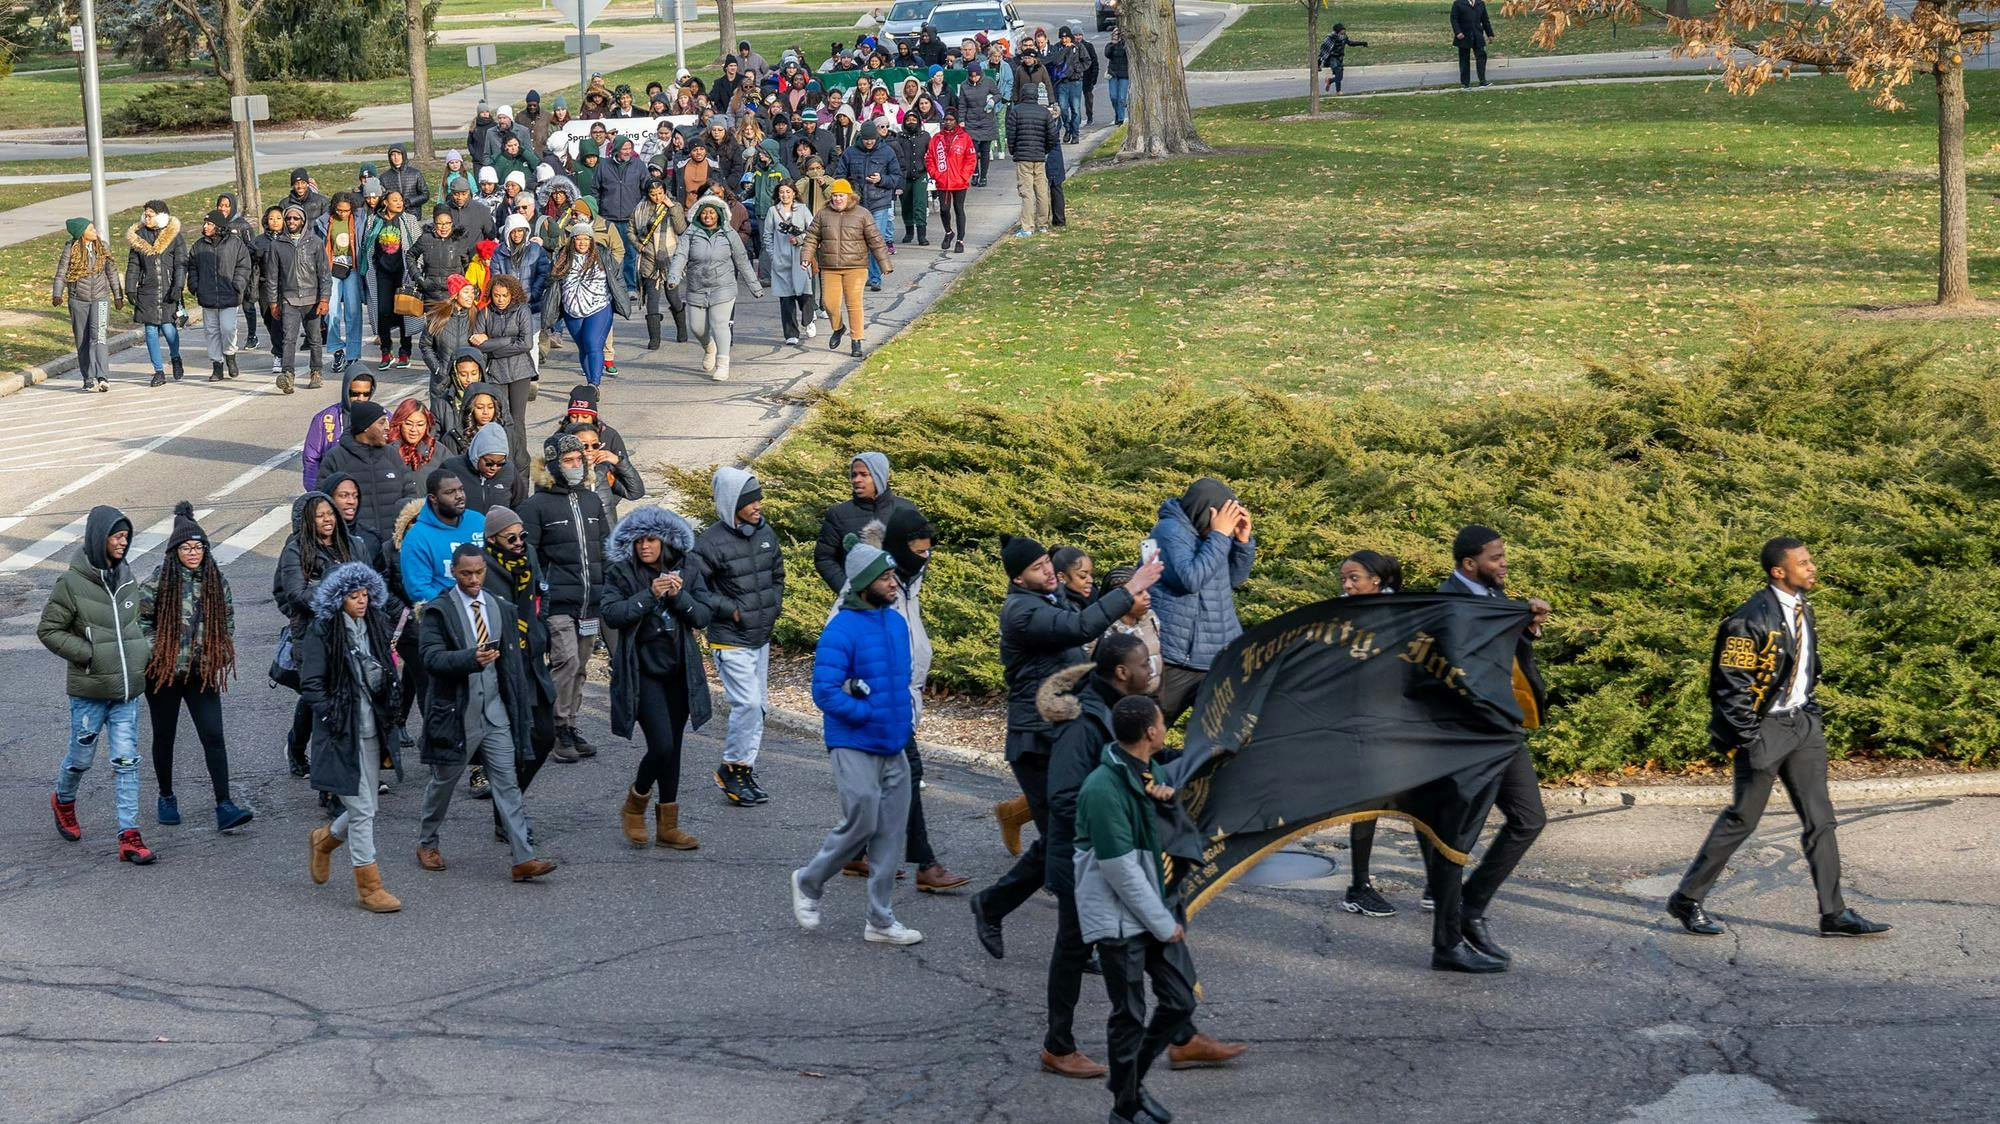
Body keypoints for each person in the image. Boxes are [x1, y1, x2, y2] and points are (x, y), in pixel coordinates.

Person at [1668, 538, 1892, 940]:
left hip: (1803, 724)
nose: (1812, 567)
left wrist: (1810, 712)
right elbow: (1728, 687)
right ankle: (1686, 898)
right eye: (1803, 563)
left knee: (1820, 820)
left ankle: (1834, 914)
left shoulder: (1804, 607)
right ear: (1778, 571)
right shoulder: (1747, 619)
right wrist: (1751, 739)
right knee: (1743, 819)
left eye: (1811, 561)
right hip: (1764, 730)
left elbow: (1803, 666)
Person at [971, 536, 1160, 960]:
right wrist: (1129, 589)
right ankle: (1077, 941)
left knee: (1062, 835)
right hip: (1034, 740)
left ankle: (995, 905)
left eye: (1047, 563)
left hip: (1063, 733)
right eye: (1038, 568)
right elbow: (1077, 630)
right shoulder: (1022, 612)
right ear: (1018, 577)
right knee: (1065, 836)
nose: (1049, 571)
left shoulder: (1052, 600)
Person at [789, 534, 924, 946]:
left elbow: (901, 682)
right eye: (884, 576)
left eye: (891, 575)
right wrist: (866, 713)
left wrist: (904, 723)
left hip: (893, 743)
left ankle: (880, 920)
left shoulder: (896, 623)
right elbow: (824, 692)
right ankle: (808, 882)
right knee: (862, 820)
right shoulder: (841, 629)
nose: (892, 581)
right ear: (865, 582)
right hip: (853, 741)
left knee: (890, 834)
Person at [1429, 524, 1549, 972]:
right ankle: (1446, 946)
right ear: (1469, 564)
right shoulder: (1450, 604)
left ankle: (1470, 908)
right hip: (1467, 737)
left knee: (1530, 819)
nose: (1504, 564)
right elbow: (1454, 667)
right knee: (1456, 840)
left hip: (1504, 730)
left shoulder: (1495, 598)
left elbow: (1502, 653)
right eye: (1496, 557)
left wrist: (1527, 626)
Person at [1076, 695, 1198, 1124]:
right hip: (1117, 920)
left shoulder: (1151, 770)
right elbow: (1119, 870)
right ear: (1151, 732)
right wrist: (1164, 924)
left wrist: (1164, 803)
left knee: (1180, 1000)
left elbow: (1157, 839)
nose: (1166, 729)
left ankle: (1126, 1080)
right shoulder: (1102, 788)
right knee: (1128, 1015)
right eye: (1163, 723)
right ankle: (1123, 1109)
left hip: (1149, 911)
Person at [1038, 633, 1153, 1079]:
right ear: (1122, 673)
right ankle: (1058, 1046)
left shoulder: (1119, 712)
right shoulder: (1084, 722)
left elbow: (1140, 765)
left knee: (1122, 948)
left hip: (1107, 855)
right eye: (1144, 662)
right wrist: (1116, 821)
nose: (1151, 669)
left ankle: (1178, 1035)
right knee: (1081, 948)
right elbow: (1063, 797)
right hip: (1085, 859)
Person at [416, 544, 556, 881]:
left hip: (495, 714)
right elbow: (430, 658)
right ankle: (427, 841)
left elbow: (512, 666)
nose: (474, 579)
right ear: (454, 572)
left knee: (507, 783)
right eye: (466, 574)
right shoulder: (440, 610)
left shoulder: (499, 607)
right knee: (444, 782)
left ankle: (523, 857)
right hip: (457, 715)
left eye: (479, 572)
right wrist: (468, 659)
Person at [41, 506, 155, 862]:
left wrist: (143, 651)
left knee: (127, 761)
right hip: (90, 692)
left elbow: (136, 623)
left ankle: (129, 836)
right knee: (82, 757)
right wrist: (88, 654)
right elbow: (48, 630)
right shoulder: (71, 584)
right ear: (98, 538)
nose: (123, 543)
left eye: (126, 537)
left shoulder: (126, 576)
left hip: (125, 691)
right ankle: (63, 800)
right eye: (117, 537)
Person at [604, 506, 715, 849]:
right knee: (661, 745)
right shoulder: (623, 572)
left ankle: (668, 826)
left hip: (679, 670)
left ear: (666, 541)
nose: (644, 547)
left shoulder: (688, 568)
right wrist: (649, 595)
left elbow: (702, 615)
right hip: (642, 672)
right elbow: (611, 613)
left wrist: (678, 595)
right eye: (638, 541)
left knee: (674, 749)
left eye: (651, 540)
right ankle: (635, 802)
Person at [139, 503, 250, 833]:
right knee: (165, 737)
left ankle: (224, 804)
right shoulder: (158, 581)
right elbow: (141, 621)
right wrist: (159, 651)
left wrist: (222, 650)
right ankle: (166, 796)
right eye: (186, 548)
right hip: (163, 674)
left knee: (213, 736)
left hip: (201, 673)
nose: (192, 553)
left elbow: (227, 619)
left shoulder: (216, 581)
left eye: (198, 547)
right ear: (174, 551)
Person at [301, 561, 404, 912]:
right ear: (338, 598)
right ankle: (369, 888)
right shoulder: (324, 630)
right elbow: (311, 683)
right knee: (362, 811)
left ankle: (324, 841)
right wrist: (332, 715)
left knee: (368, 806)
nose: (361, 601)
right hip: (342, 731)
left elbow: (387, 667)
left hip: (374, 727)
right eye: (353, 595)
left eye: (364, 594)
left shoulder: (373, 623)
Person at [688, 467, 784, 806]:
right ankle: (731, 767)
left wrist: (772, 608)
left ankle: (743, 769)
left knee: (759, 708)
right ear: (733, 503)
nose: (758, 504)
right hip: (730, 638)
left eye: (758, 497)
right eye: (750, 500)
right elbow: (694, 588)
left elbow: (777, 575)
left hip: (761, 636)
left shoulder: (765, 533)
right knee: (748, 703)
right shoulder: (710, 543)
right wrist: (733, 611)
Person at [521, 432, 609, 762]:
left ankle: (571, 724)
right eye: (568, 461)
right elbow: (529, 557)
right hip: (557, 602)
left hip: (590, 602)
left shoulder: (591, 500)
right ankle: (556, 727)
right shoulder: (536, 506)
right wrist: (540, 591)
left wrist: (609, 589)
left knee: (582, 666)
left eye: (578, 459)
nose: (576, 465)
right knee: (566, 661)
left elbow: (605, 546)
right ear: (553, 465)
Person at [1149, 477, 1257, 726]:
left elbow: (1234, 579)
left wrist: (1241, 541)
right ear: (1204, 511)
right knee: (1152, 731)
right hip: (1175, 657)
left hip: (1214, 655)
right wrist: (1219, 535)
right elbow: (1190, 579)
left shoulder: (1216, 535)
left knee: (1219, 734)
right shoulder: (1168, 531)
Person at [1336, 549, 1402, 918]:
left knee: (1426, 798)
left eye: (1353, 578)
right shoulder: (1338, 614)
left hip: (1403, 719)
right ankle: (1358, 886)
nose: (1346, 585)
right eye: (1343, 579)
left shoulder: (1403, 612)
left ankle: (1436, 887)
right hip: (1362, 722)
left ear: (1376, 579)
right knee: (1367, 806)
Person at [274, 490, 355, 778]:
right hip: (311, 634)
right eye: (320, 515)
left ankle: (353, 766)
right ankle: (299, 748)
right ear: (307, 520)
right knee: (316, 697)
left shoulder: (348, 544)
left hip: (349, 630)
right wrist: (336, 597)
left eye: (330, 513)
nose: (327, 519)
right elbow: (292, 593)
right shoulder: (295, 549)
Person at [669, 195, 764, 381]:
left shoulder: (729, 234)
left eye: (712, 212)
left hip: (723, 286)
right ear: (698, 215)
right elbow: (680, 256)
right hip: (697, 286)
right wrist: (673, 277)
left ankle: (723, 364)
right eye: (704, 213)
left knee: (719, 323)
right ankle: (709, 347)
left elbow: (742, 260)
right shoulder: (691, 233)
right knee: (696, 328)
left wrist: (755, 287)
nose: (708, 216)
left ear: (719, 215)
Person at [802, 179, 890, 358]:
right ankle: (838, 327)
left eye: (840, 195)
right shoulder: (823, 214)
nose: (837, 199)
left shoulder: (862, 214)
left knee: (853, 303)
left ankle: (856, 340)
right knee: (829, 303)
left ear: (849, 196)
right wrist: (806, 257)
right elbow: (811, 237)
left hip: (856, 266)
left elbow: (876, 240)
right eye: (834, 196)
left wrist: (884, 264)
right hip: (830, 266)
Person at [811, 452, 916, 594]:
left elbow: (922, 551)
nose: (856, 480)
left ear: (879, 476)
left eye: (864, 474)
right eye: (854, 475)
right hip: (858, 606)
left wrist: (904, 585)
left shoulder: (906, 509)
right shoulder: (839, 515)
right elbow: (824, 558)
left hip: (901, 601)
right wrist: (849, 590)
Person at [316, 399, 418, 543]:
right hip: (355, 547)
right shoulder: (336, 458)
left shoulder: (392, 455)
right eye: (382, 422)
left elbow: (410, 494)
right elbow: (322, 501)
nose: (388, 427)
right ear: (365, 427)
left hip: (394, 544)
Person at [543, 221, 630, 386]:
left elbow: (618, 278)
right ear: (572, 240)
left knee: (592, 343)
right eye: (578, 239)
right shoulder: (563, 257)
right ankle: (590, 381)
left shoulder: (602, 255)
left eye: (586, 239)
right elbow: (550, 279)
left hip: (599, 306)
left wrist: (623, 298)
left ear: (591, 240)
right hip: (572, 310)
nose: (582, 242)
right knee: (583, 347)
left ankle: (594, 384)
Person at [263, 202, 331, 395]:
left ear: (303, 221)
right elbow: (272, 277)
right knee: (288, 339)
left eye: (296, 218)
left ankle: (316, 372)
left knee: (315, 338)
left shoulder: (315, 242)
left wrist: (324, 299)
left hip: (312, 298)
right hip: (289, 299)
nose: (291, 221)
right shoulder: (277, 245)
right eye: (289, 218)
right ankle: (287, 375)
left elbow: (324, 274)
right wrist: (273, 302)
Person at [471, 275, 537, 466]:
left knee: (517, 419)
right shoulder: (484, 312)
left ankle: (521, 459)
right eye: (497, 295)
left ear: (512, 295)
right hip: (496, 373)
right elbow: (478, 344)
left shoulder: (522, 310)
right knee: (499, 417)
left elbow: (526, 343)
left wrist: (493, 347)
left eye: (504, 296)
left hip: (520, 371)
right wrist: (508, 341)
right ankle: (501, 455)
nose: (500, 300)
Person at [51, 218, 123, 392]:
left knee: (99, 336)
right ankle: (88, 378)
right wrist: (57, 294)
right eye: (90, 228)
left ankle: (103, 377)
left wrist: (118, 294)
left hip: (101, 298)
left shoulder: (102, 246)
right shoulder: (71, 248)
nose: (95, 230)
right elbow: (61, 273)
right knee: (82, 339)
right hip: (78, 300)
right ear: (81, 233)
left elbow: (111, 271)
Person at [124, 200, 188, 386]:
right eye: (145, 214)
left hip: (168, 290)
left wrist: (178, 286)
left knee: (169, 329)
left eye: (150, 215)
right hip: (147, 291)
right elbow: (133, 265)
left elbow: (180, 264)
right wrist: (130, 287)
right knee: (150, 331)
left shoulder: (174, 236)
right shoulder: (140, 237)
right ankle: (158, 371)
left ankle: (175, 357)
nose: (147, 218)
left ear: (161, 217)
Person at [186, 208, 252, 382]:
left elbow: (244, 265)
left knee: (228, 328)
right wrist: (194, 285)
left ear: (219, 226)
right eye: (205, 223)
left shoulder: (235, 243)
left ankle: (230, 355)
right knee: (212, 331)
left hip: (229, 294)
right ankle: (217, 365)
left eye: (209, 224)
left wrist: (237, 285)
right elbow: (192, 267)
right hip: (207, 295)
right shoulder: (199, 246)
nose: (205, 226)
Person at [834, 122, 900, 291]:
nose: (869, 142)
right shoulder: (850, 153)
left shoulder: (887, 152)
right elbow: (840, 176)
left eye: (871, 139)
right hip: (857, 204)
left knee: (876, 241)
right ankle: (863, 275)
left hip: (879, 203)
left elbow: (896, 177)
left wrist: (882, 179)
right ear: (860, 138)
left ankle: (876, 277)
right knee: (858, 242)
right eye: (866, 139)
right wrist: (850, 189)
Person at [367, 190, 424, 370]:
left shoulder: (409, 220)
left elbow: (418, 245)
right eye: (394, 200)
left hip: (404, 273)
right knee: (383, 312)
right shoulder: (373, 220)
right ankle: (386, 351)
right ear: (385, 202)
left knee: (403, 312)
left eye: (400, 200)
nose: (399, 203)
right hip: (382, 273)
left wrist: (417, 270)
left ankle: (405, 352)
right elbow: (367, 246)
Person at [633, 179, 689, 348]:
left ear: (665, 192)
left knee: (673, 297)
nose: (657, 197)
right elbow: (631, 231)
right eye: (653, 194)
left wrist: (671, 207)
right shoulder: (640, 209)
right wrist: (638, 245)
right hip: (649, 259)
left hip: (671, 259)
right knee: (652, 299)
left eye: (660, 193)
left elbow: (681, 229)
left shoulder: (674, 206)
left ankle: (681, 328)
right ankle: (654, 338)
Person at [303, 371, 376, 491]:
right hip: (331, 494)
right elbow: (311, 460)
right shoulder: (324, 419)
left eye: (366, 394)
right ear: (346, 390)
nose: (360, 399)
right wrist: (317, 494)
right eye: (355, 393)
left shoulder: (383, 419)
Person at [763, 179, 816, 344]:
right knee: (786, 298)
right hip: (781, 260)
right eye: (781, 192)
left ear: (794, 193)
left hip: (801, 257)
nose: (784, 195)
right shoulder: (773, 211)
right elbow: (768, 235)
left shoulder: (802, 209)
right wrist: (773, 255)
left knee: (805, 293)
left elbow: (814, 231)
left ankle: (808, 320)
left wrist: (799, 239)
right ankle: (791, 334)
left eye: (788, 191)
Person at [319, 193, 367, 373]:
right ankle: (337, 349)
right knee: (331, 311)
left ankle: (353, 354)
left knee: (353, 312)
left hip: (352, 268)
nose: (343, 213)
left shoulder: (359, 219)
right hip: (332, 269)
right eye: (339, 210)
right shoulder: (325, 222)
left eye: (346, 210)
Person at [597, 136, 649, 292]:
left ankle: (630, 287)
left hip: (630, 219)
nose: (628, 152)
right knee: (608, 254)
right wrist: (598, 213)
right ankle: (611, 287)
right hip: (608, 218)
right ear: (616, 150)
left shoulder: (638, 166)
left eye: (629, 148)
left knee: (630, 255)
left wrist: (642, 213)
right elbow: (596, 190)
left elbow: (646, 190)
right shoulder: (604, 166)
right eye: (624, 149)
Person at [1099, 566, 1162, 693]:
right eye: (1139, 593)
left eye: (1146, 590)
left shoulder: (1151, 618)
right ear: (1119, 598)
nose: (1147, 596)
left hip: (1153, 696)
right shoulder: (1102, 629)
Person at [446, 420, 526, 517]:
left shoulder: (509, 470)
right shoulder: (451, 468)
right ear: (477, 456)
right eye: (489, 463)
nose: (494, 468)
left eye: (500, 463)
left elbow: (521, 505)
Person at [1006, 90, 1059, 237]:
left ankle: (1027, 227)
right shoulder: (1044, 113)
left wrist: (1014, 151)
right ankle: (1043, 224)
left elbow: (1011, 135)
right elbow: (1053, 135)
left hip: (1023, 158)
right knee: (1041, 191)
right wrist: (1045, 149)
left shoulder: (1016, 112)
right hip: (1039, 157)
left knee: (1026, 192)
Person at [927, 110, 976, 254]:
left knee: (959, 209)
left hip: (959, 181)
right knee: (944, 209)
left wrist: (964, 176)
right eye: (946, 119)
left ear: (956, 121)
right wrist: (936, 175)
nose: (948, 122)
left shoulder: (964, 137)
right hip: (943, 181)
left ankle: (960, 240)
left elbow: (971, 159)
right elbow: (929, 158)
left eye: (951, 119)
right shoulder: (937, 138)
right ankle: (948, 232)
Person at [891, 115, 930, 246]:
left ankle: (921, 234)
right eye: (908, 120)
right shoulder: (899, 137)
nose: (911, 122)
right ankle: (909, 231)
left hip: (920, 175)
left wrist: (927, 166)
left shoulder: (925, 136)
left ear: (918, 121)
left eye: (914, 120)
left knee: (920, 204)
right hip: (905, 176)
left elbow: (931, 153)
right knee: (906, 205)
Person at [1050, 26, 1085, 143]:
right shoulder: (1056, 47)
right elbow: (1055, 61)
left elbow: (1087, 61)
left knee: (1075, 109)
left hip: (1075, 82)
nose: (1065, 40)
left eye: (1066, 37)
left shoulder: (1078, 47)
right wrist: (1065, 50)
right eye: (1062, 38)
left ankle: (1075, 134)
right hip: (1062, 82)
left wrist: (1077, 69)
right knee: (1063, 109)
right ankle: (1068, 128)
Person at [1450, 0, 1495, 88]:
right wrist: (1458, 32)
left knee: (1481, 57)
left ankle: (1482, 81)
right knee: (1464, 59)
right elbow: (1453, 19)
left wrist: (1490, 34)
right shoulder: (1458, 3)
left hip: (1477, 35)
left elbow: (1485, 20)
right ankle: (1465, 84)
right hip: (1463, 35)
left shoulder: (1480, 3)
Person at [1318, 22, 1368, 94]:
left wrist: (1362, 43)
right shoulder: (1331, 38)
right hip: (1332, 58)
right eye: (1342, 30)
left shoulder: (1344, 37)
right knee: (1338, 73)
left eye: (1344, 30)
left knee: (1340, 77)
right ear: (1338, 31)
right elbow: (1323, 51)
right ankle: (1338, 91)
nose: (1344, 31)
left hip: (1340, 58)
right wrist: (1318, 64)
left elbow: (1350, 43)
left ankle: (1329, 81)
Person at [1050, 545, 1095, 611]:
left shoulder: (1092, 596)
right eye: (1083, 576)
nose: (1091, 580)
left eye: (1091, 574)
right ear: (1062, 577)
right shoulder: (1055, 608)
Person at [1105, 26, 1130, 125]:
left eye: (1118, 34)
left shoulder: (1126, 45)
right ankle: (1117, 113)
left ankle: (1120, 118)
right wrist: (1113, 44)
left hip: (1124, 75)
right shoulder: (1110, 45)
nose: (1117, 36)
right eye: (1115, 34)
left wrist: (1123, 41)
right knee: (1113, 96)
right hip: (1113, 74)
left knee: (1121, 98)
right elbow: (1107, 54)